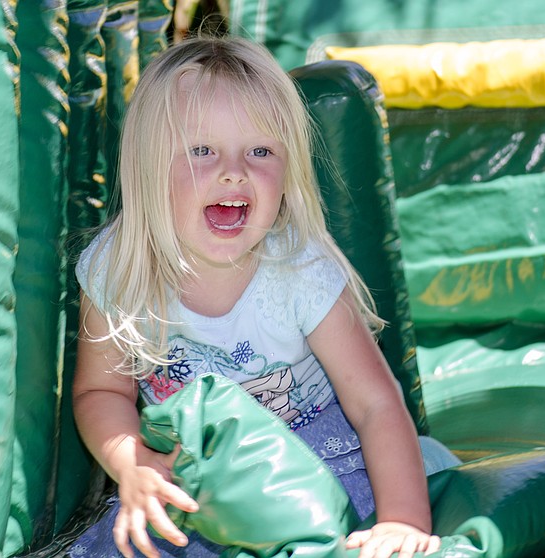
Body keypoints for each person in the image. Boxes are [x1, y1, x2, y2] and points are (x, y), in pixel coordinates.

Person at [67, 36, 458, 558]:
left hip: (314, 456)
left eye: (260, 151)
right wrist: (132, 463)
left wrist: (402, 522)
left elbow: (375, 404)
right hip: (198, 470)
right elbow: (102, 393)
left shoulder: (298, 269)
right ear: (147, 167)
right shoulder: (118, 270)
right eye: (202, 150)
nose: (234, 171)